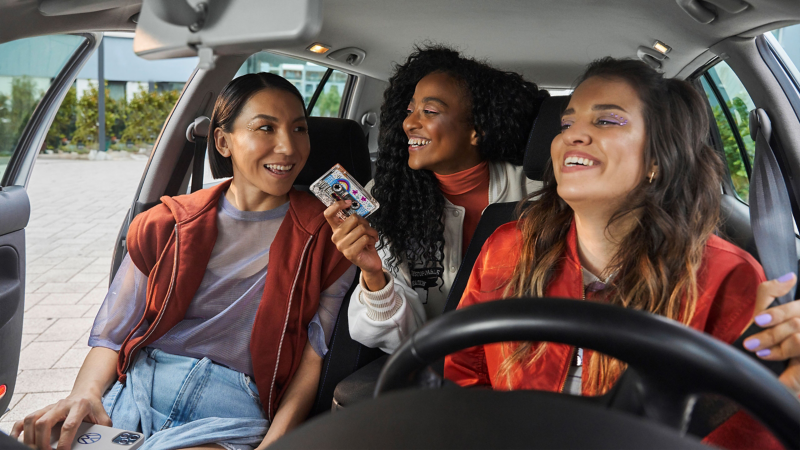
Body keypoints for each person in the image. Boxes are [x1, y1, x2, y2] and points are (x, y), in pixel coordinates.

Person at [444, 57, 800, 449]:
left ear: (656, 160)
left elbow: (742, 436)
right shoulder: (506, 248)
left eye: (606, 121)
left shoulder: (725, 277)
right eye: (567, 124)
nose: (572, 136)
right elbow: (465, 375)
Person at [11, 73, 355, 450]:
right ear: (224, 142)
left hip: (230, 409)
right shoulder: (166, 224)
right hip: (140, 387)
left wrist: (274, 444)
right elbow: (113, 333)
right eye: (266, 128)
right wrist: (85, 394)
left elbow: (311, 361)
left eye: (299, 129)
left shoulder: (332, 236)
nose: (288, 147)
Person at [324, 45, 546, 353]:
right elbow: (403, 338)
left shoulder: (535, 191)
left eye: (429, 111)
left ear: (477, 130)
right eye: (409, 110)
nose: (409, 124)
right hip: (436, 366)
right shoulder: (386, 197)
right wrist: (373, 273)